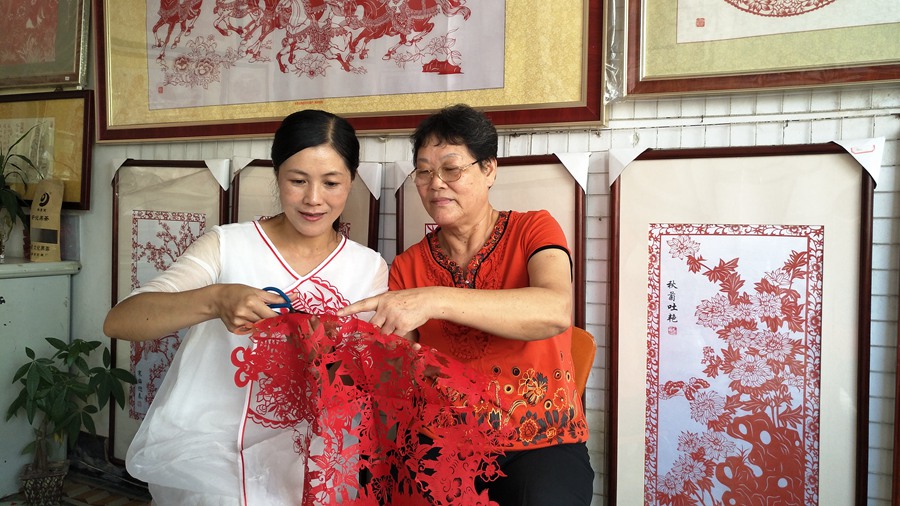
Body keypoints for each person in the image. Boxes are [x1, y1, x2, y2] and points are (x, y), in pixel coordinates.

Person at [104, 109, 389, 505]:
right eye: (297, 181)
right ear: (276, 175)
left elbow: (372, 375)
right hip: (211, 456)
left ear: (352, 182)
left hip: (312, 463)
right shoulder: (227, 245)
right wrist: (215, 299)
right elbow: (122, 320)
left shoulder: (367, 268)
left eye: (331, 183)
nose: (313, 199)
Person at [339, 104, 593, 505]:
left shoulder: (534, 229)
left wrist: (435, 298)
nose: (435, 184)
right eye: (423, 172)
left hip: (541, 442)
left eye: (451, 169)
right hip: (448, 443)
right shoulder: (409, 266)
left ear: (489, 169)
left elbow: (554, 311)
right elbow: (400, 372)